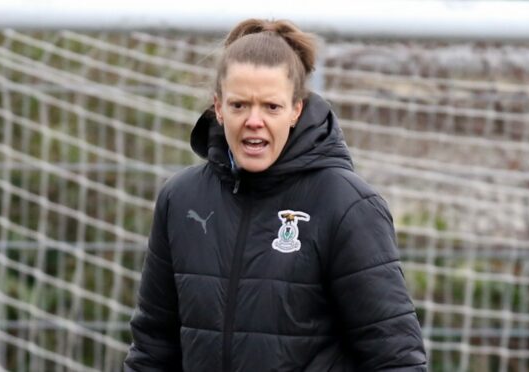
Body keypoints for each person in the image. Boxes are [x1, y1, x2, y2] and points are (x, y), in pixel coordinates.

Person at [124, 18, 426, 371]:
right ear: (218, 108)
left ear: (296, 109)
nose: (254, 120)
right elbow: (152, 349)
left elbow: (396, 359)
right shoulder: (180, 200)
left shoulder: (346, 205)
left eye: (271, 106)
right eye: (239, 105)